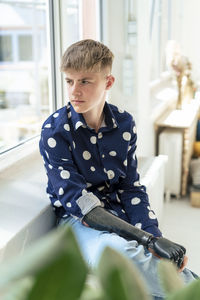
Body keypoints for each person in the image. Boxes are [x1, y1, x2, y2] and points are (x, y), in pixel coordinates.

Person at [39, 39, 196, 299]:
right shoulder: (55, 132)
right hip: (79, 223)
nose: (74, 91)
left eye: (85, 81)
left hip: (119, 213)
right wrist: (148, 241)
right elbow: (83, 207)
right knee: (125, 257)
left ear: (108, 83)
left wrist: (154, 236)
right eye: (69, 81)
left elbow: (131, 188)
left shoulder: (124, 124)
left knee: (156, 269)